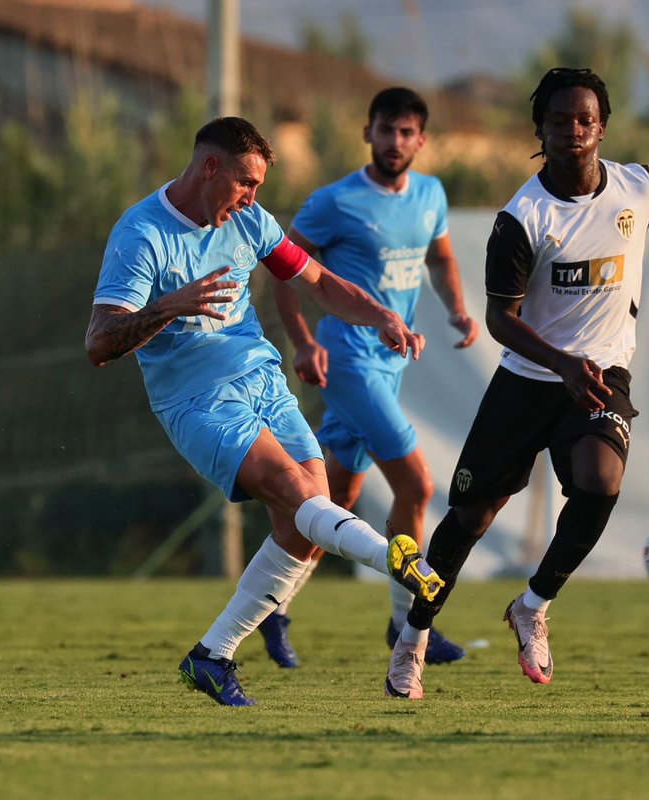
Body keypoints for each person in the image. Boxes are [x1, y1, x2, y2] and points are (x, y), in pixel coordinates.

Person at [383, 68, 649, 699]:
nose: (573, 130)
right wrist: (560, 364)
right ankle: (413, 638)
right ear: (540, 130)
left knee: (600, 484)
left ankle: (533, 606)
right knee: (470, 518)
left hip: (603, 373)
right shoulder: (522, 217)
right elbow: (501, 318)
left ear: (602, 127)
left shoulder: (638, 187)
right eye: (559, 120)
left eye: (585, 119)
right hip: (529, 378)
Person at [84, 116, 445, 707]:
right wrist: (170, 306)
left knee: (305, 526)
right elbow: (99, 343)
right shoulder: (141, 234)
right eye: (245, 183)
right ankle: (395, 559)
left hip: (264, 382)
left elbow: (318, 282)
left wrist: (379, 314)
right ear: (210, 167)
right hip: (197, 399)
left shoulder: (250, 220)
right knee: (302, 500)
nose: (252, 198)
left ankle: (211, 656)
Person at [258, 87, 479, 669]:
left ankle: (271, 608)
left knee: (332, 500)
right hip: (347, 361)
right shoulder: (334, 202)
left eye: (406, 133)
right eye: (386, 130)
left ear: (421, 140)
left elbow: (440, 257)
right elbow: (282, 271)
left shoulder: (430, 194)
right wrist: (303, 341)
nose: (395, 142)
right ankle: (406, 621)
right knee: (416, 485)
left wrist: (457, 309)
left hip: (390, 363)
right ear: (368, 133)